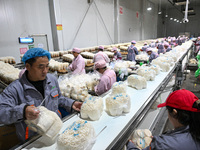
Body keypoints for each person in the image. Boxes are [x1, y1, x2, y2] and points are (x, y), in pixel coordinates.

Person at [0, 48, 82, 143]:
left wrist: (71, 104)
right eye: (40, 67)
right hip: (32, 140)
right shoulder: (15, 89)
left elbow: (58, 98)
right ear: (28, 66)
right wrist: (22, 111)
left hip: (55, 131)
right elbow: (1, 112)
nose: (45, 71)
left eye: (47, 66)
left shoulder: (51, 80)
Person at [127, 89, 200, 150]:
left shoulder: (163, 144)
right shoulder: (195, 131)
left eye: (167, 110)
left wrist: (130, 145)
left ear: (174, 112)